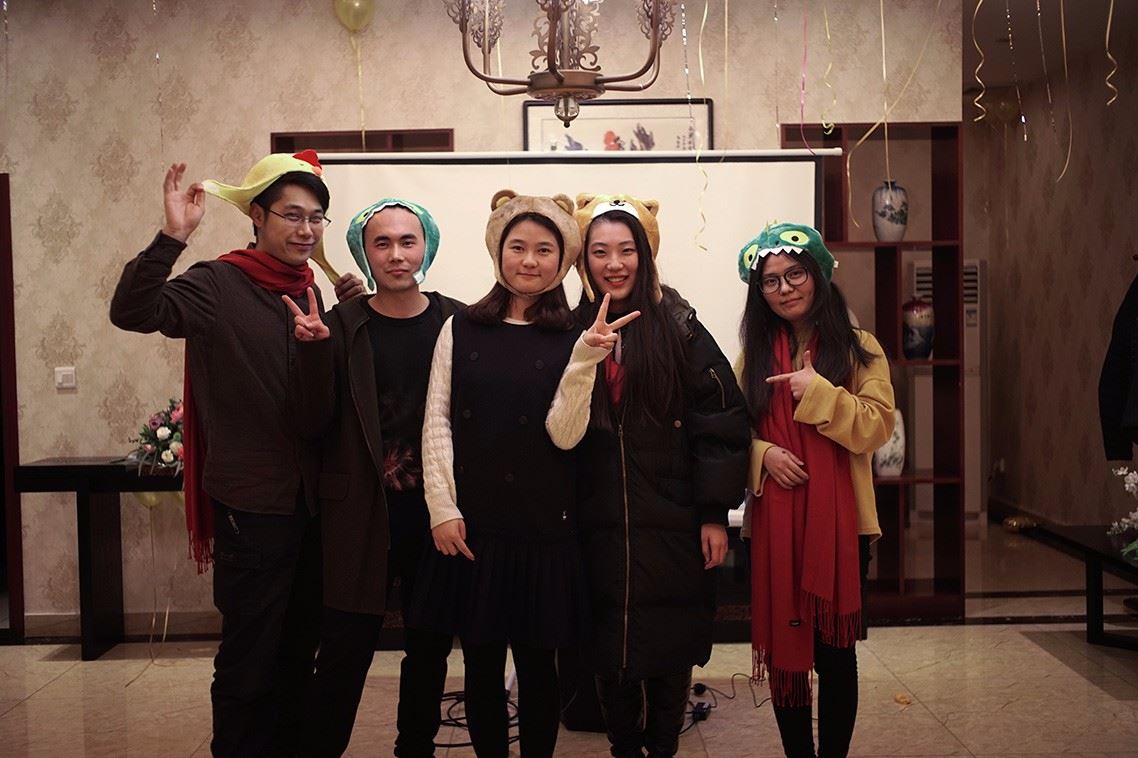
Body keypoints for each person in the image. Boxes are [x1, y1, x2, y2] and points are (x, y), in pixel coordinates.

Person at [109, 152, 363, 756]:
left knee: (298, 652)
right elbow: (133, 312)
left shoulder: (313, 289)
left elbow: (322, 400)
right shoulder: (217, 284)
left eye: (316, 218)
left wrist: (350, 315)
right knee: (250, 659)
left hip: (313, 506)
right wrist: (172, 237)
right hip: (252, 505)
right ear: (257, 216)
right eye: (292, 215)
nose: (306, 229)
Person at [413, 190, 638, 757]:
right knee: (481, 666)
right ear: (498, 251)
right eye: (518, 247)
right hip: (474, 527)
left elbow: (566, 434)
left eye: (544, 249)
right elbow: (436, 421)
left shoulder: (576, 336)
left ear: (562, 260)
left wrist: (585, 362)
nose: (530, 260)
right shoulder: (460, 327)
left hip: (545, 529)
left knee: (540, 669)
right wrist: (442, 508)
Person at [569, 194, 751, 758]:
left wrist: (714, 514)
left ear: (645, 255)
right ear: (582, 259)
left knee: (672, 645)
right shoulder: (568, 327)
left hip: (673, 520)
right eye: (600, 251)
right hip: (595, 523)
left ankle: (665, 747)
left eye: (627, 250)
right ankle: (624, 747)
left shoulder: (680, 327)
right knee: (607, 647)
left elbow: (719, 422)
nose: (614, 263)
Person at [287, 198, 464, 756]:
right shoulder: (339, 324)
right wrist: (312, 353)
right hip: (359, 514)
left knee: (429, 647)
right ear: (363, 252)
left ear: (427, 246)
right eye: (381, 243)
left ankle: (416, 748)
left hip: (435, 514)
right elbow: (311, 423)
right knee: (345, 647)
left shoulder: (457, 321)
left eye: (407, 241)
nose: (396, 254)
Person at [736, 223, 895, 758]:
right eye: (771, 281)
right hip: (774, 528)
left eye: (795, 274)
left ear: (819, 275)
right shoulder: (752, 357)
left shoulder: (860, 348)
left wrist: (821, 393)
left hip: (844, 529)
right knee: (788, 655)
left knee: (835, 655)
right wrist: (763, 455)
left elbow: (877, 426)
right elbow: (730, 433)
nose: (784, 288)